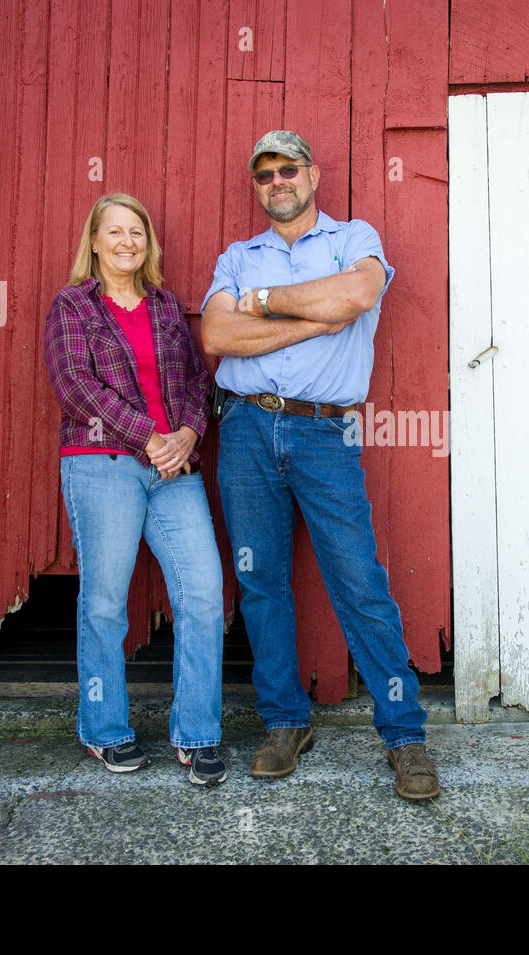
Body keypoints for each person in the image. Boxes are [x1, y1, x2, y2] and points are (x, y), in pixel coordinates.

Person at [201, 131, 440, 801]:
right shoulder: (237, 256)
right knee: (260, 581)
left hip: (321, 432)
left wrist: (266, 303)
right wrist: (313, 316)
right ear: (258, 184)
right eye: (265, 173)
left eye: (289, 168)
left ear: (311, 174)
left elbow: (358, 297)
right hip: (245, 425)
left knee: (358, 579)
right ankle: (285, 723)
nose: (278, 180)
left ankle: (404, 734)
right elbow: (218, 336)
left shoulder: (352, 238)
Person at [43, 193, 227, 785]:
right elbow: (75, 385)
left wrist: (188, 432)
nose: (127, 242)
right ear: (93, 243)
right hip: (103, 464)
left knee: (202, 593)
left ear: (148, 243)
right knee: (104, 601)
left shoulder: (168, 308)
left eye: (137, 233)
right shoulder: (73, 306)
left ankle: (197, 733)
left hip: (174, 469)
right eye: (115, 232)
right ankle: (104, 729)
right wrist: (150, 436)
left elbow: (199, 382)